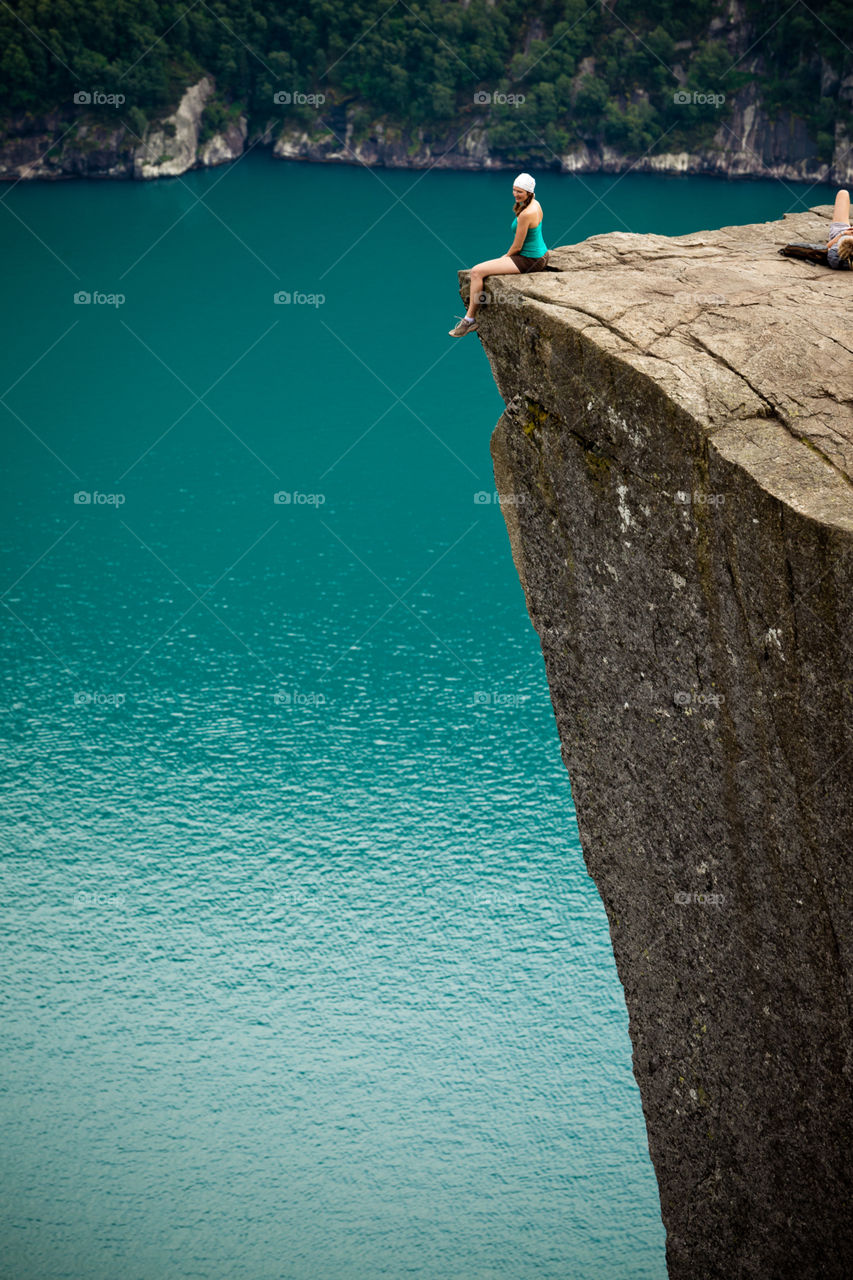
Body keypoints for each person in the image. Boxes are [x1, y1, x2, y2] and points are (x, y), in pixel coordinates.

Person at [449, 172, 549, 336]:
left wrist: (505, 257)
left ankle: (469, 320)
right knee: (481, 270)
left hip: (529, 259)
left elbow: (517, 246)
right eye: (514, 190)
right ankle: (469, 320)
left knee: (476, 272)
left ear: (528, 193)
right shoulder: (535, 204)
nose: (515, 194)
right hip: (542, 254)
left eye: (520, 192)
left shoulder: (526, 214)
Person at [826, 188, 853, 269]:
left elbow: (826, 247)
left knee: (843, 193)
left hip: (839, 230)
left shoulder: (835, 254)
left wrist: (843, 234)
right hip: (842, 231)